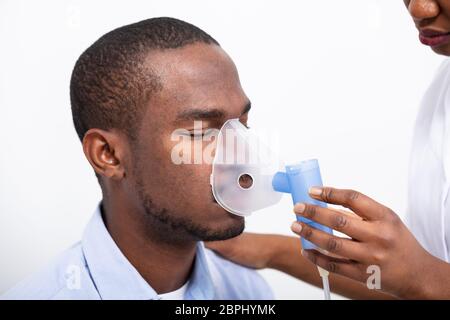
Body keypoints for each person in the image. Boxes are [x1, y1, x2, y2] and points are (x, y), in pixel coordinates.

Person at [1, 17, 272, 300]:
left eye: (242, 125)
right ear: (108, 155)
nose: (243, 155)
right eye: (200, 133)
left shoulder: (247, 291)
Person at [207, 0, 450, 300]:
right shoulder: (440, 92)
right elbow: (411, 289)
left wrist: (423, 275)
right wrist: (272, 251)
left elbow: (424, 282)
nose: (420, 9)